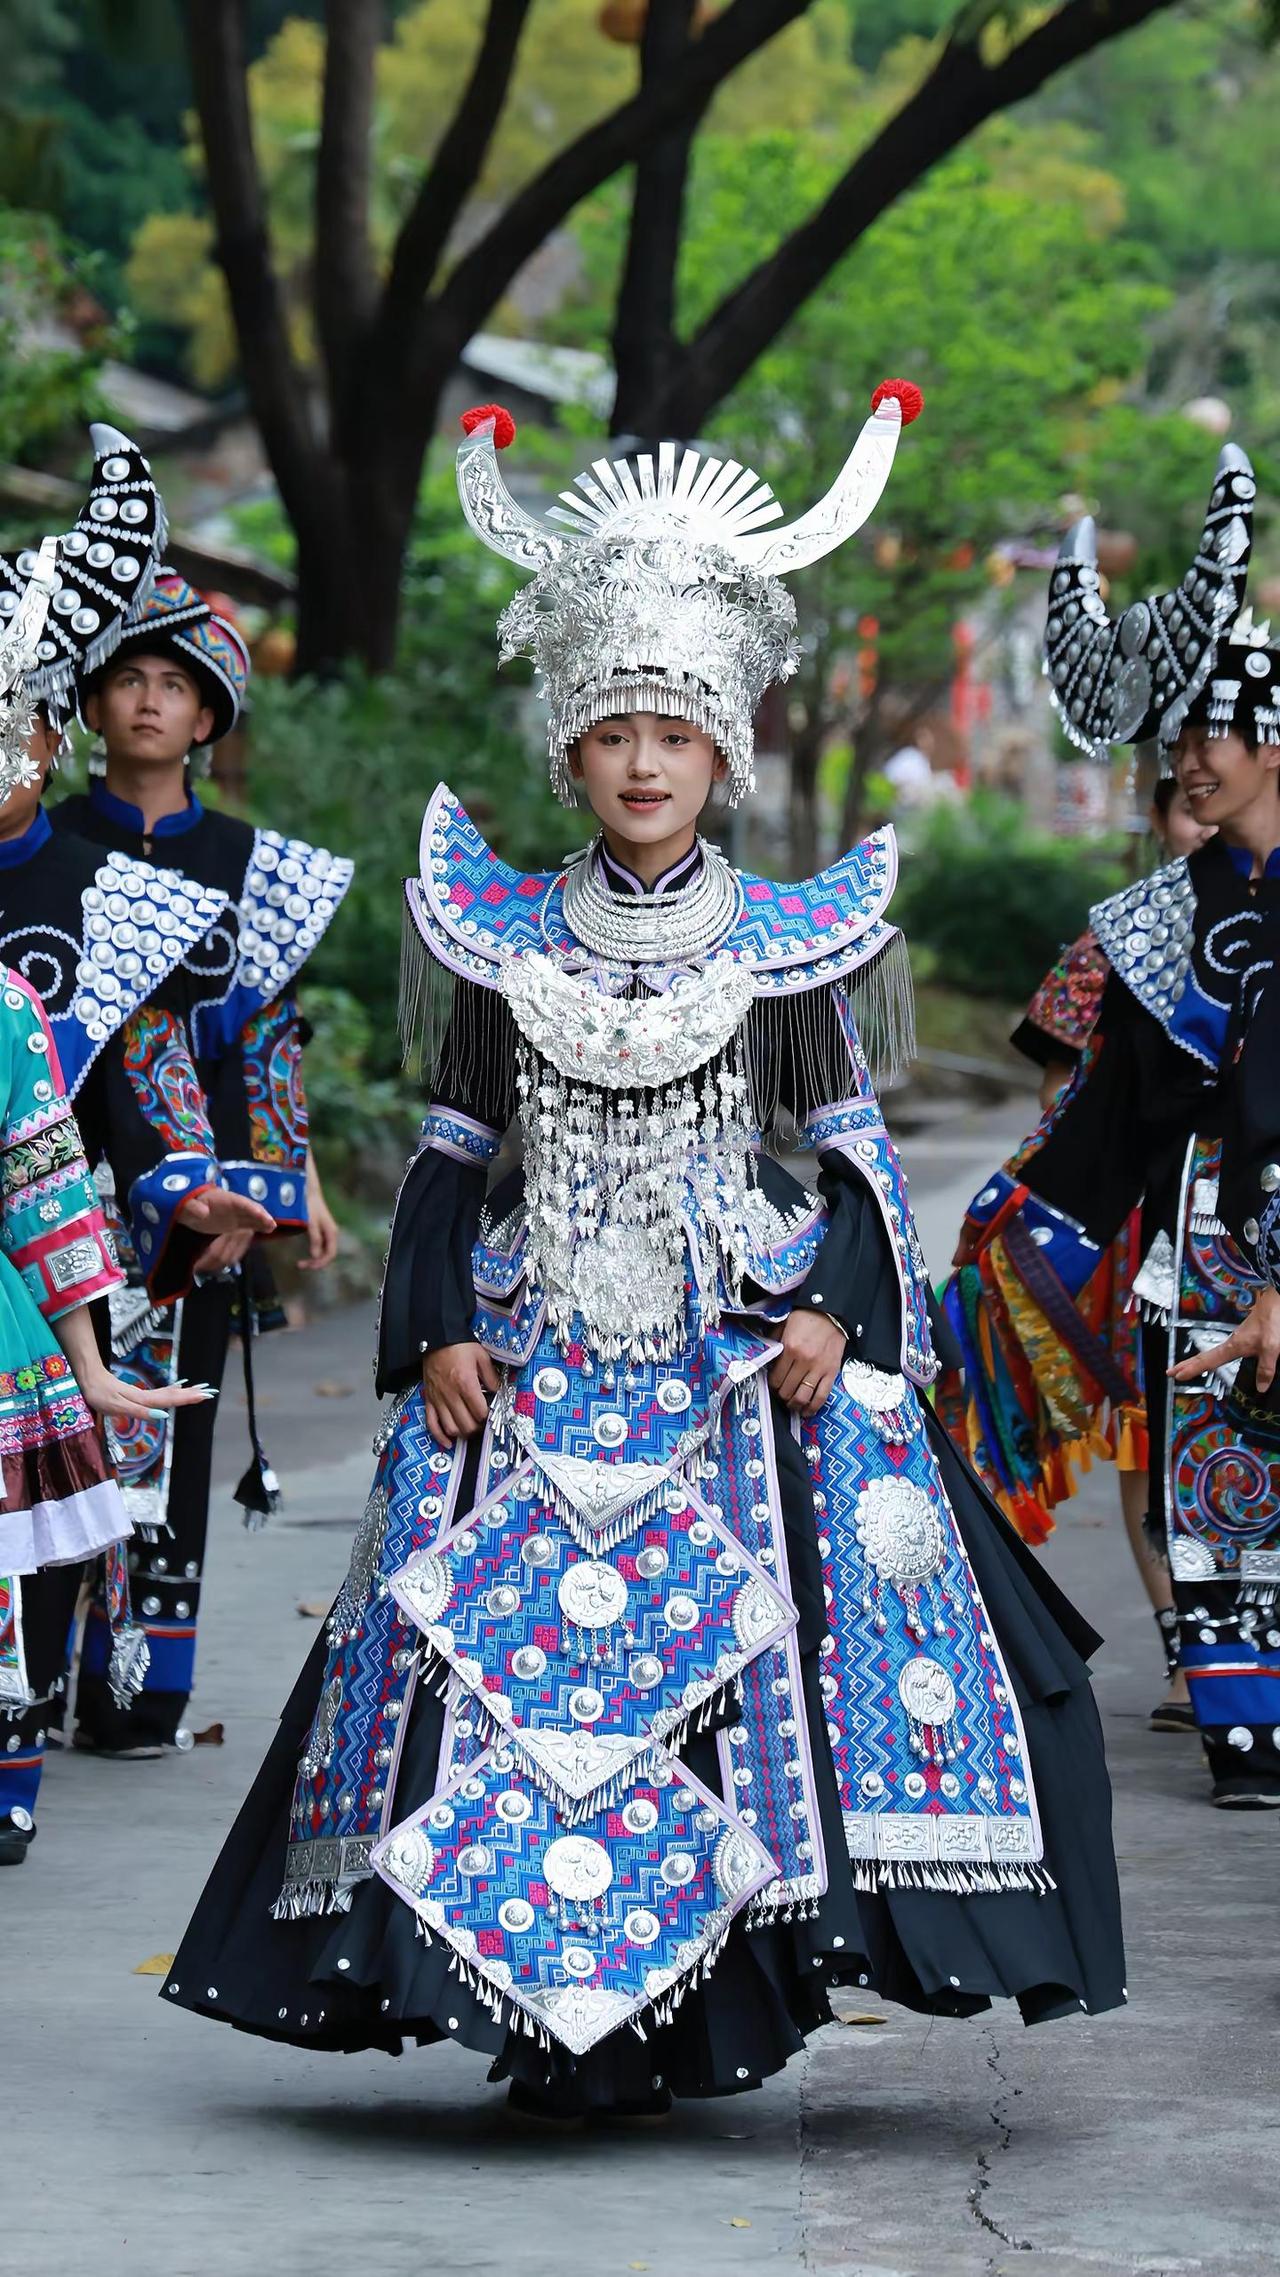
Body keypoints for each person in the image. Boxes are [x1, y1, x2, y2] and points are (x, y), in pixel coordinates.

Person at [162, 387, 1123, 2121]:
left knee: (723, 1682)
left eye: (673, 732)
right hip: (529, 1363)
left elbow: (853, 1165)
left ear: (723, 752)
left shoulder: (784, 949)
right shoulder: (497, 931)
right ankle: (533, 2019)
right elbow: (458, 1152)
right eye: (613, 732)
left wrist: (835, 1306)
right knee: (504, 1681)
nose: (643, 760)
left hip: (726, 1353)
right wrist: (439, 1325)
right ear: (573, 752)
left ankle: (700, 2011)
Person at [943, 445, 1280, 1807]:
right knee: (1214, 1512)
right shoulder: (1146, 923)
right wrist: (993, 1262)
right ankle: (1240, 1717)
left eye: (1206, 732)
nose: (1181, 760)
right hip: (1191, 1259)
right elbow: (1101, 1132)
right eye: (1171, 738)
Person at [0, 466, 264, 1855]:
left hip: (76, 1235)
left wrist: (208, 1181)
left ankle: (52, 1714)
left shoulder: (122, 894)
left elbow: (166, 1077)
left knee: (68, 1489)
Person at [51, 567, 353, 1755]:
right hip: (55, 1176)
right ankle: (28, 1681)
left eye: (174, 684)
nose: (147, 702)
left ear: (211, 715)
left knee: (170, 1437)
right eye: (127, 677)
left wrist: (281, 1192)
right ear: (90, 702)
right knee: (46, 1430)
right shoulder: (40, 838)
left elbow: (268, 1040)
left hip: (201, 1194)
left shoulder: (248, 862)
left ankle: (134, 1692)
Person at [949, 779, 1216, 1732]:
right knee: (1154, 1431)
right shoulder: (1119, 936)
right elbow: (1062, 1088)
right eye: (1185, 800)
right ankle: (1191, 1648)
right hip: (1128, 1222)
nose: (1205, 819)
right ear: (1155, 817)